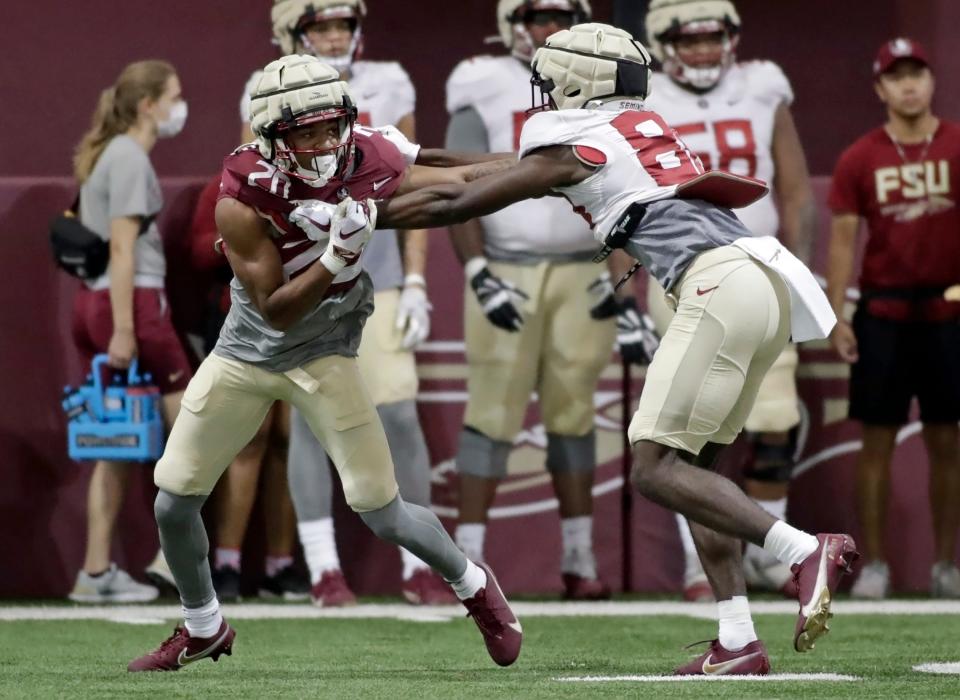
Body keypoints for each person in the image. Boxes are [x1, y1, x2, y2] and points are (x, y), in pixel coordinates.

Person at [356, 23, 858, 675]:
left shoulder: (578, 142)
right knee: (691, 472)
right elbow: (502, 167)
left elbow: (459, 198)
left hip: (716, 282)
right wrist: (408, 151)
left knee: (653, 469)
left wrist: (350, 211)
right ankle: (737, 639)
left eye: (551, 82)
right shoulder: (629, 126)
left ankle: (798, 551)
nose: (542, 95)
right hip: (761, 277)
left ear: (578, 81)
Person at [127, 55, 522, 672]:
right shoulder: (241, 193)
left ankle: (476, 587)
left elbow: (454, 173)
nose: (322, 143)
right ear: (271, 137)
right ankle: (203, 625)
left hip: (325, 349)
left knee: (381, 509)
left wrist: (545, 166)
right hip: (250, 350)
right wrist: (338, 256)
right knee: (172, 501)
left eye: (331, 126)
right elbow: (277, 309)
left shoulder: (366, 149)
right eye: (303, 132)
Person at [442, 0, 635, 600]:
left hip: (585, 269)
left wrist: (623, 281)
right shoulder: (483, 79)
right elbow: (456, 183)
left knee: (574, 416)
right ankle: (467, 563)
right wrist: (476, 270)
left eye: (559, 19)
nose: (548, 31)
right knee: (491, 415)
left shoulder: (604, 80)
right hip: (508, 267)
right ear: (511, 25)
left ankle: (579, 559)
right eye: (536, 19)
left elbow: (632, 185)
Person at [265, 0, 451, 606]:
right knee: (310, 426)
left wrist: (418, 279)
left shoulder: (388, 82)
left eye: (343, 24)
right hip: (307, 279)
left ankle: (419, 566)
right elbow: (254, 192)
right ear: (294, 32)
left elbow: (412, 184)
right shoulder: (267, 91)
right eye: (321, 25)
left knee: (398, 414)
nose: (335, 35)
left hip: (379, 274)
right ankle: (322, 569)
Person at [643, 0, 816, 601]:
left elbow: (795, 192)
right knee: (682, 429)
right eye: (689, 41)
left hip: (760, 266)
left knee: (774, 421)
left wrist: (801, 268)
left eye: (712, 39)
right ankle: (702, 563)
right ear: (663, 44)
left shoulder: (763, 85)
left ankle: (774, 558)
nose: (702, 52)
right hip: (680, 273)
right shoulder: (643, 99)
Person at [826, 38, 960, 600]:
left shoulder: (957, 145)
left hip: (949, 311)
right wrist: (836, 315)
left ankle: (946, 567)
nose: (908, 85)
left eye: (917, 74)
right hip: (881, 311)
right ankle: (874, 564)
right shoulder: (860, 156)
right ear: (879, 88)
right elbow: (841, 241)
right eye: (895, 76)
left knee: (947, 440)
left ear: (931, 82)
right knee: (875, 441)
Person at [68, 60, 191, 604]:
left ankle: (95, 574)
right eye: (173, 96)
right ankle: (176, 555)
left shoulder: (111, 156)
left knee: (115, 444)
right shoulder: (129, 159)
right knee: (197, 428)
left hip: (101, 302)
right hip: (131, 304)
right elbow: (121, 248)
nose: (178, 107)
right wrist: (124, 327)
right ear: (148, 104)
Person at [189, 177, 308, 602]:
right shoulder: (225, 187)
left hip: (299, 320)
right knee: (248, 440)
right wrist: (241, 238)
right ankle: (227, 561)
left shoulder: (311, 184)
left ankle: (281, 563)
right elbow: (198, 251)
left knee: (288, 440)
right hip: (242, 321)